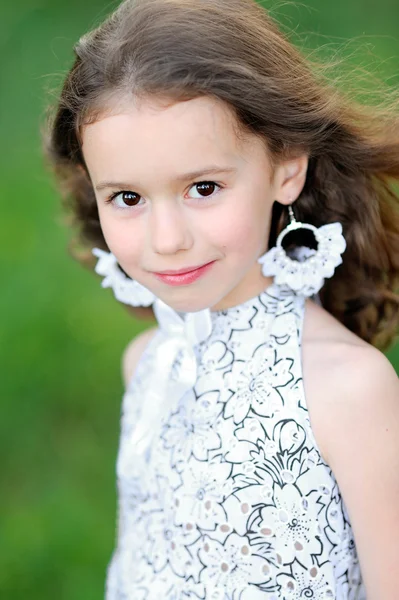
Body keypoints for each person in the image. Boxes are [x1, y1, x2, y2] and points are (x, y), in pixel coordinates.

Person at [43, 0, 399, 597]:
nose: (167, 240)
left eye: (202, 188)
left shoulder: (346, 391)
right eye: (127, 198)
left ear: (287, 167)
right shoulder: (149, 364)